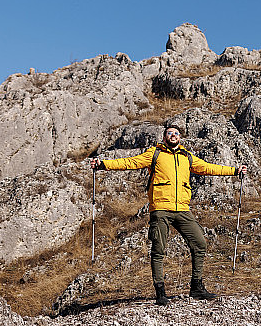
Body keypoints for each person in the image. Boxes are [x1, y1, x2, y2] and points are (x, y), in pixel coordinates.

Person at [90, 124, 247, 304]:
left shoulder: (187, 156)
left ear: (180, 138)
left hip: (182, 209)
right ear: (164, 137)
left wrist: (234, 171)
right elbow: (130, 162)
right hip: (161, 209)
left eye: (176, 133)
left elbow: (208, 168)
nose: (173, 135)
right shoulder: (155, 154)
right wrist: (103, 164)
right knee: (158, 249)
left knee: (199, 243)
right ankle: (160, 292)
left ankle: (196, 287)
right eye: (170, 133)